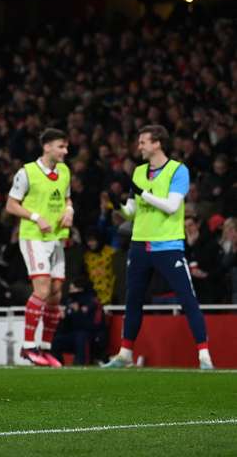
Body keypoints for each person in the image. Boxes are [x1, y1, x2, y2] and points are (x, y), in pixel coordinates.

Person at [104, 125, 214, 370]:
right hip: (140, 245)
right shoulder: (139, 171)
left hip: (169, 245)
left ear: (157, 143)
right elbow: (132, 213)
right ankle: (124, 354)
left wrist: (143, 193)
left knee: (187, 299)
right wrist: (118, 206)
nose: (139, 146)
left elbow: (172, 206)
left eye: (143, 141)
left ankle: (204, 357)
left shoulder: (178, 170)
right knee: (133, 300)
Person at [5, 128, 73, 368]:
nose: (65, 151)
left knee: (55, 293)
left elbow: (66, 198)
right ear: (47, 147)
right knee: (42, 289)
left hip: (57, 238)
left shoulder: (64, 171)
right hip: (34, 237)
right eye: (61, 147)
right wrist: (35, 216)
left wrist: (69, 210)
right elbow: (11, 205)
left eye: (66, 147)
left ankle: (44, 349)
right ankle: (27, 346)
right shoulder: (27, 172)